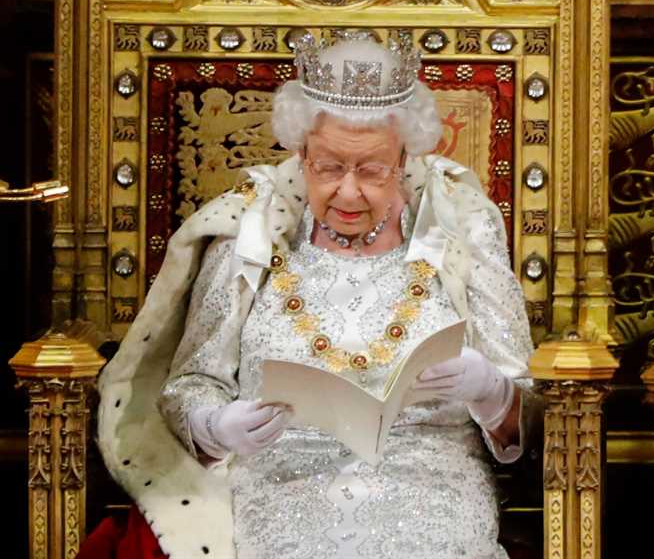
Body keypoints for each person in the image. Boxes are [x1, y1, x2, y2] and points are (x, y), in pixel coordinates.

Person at [95, 30, 534, 559]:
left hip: (431, 485)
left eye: (372, 170)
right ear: (301, 150)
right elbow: (191, 383)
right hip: (281, 484)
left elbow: (532, 414)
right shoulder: (248, 232)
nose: (348, 191)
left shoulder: (464, 229)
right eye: (327, 166)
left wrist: (491, 392)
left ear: (405, 157)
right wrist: (217, 427)